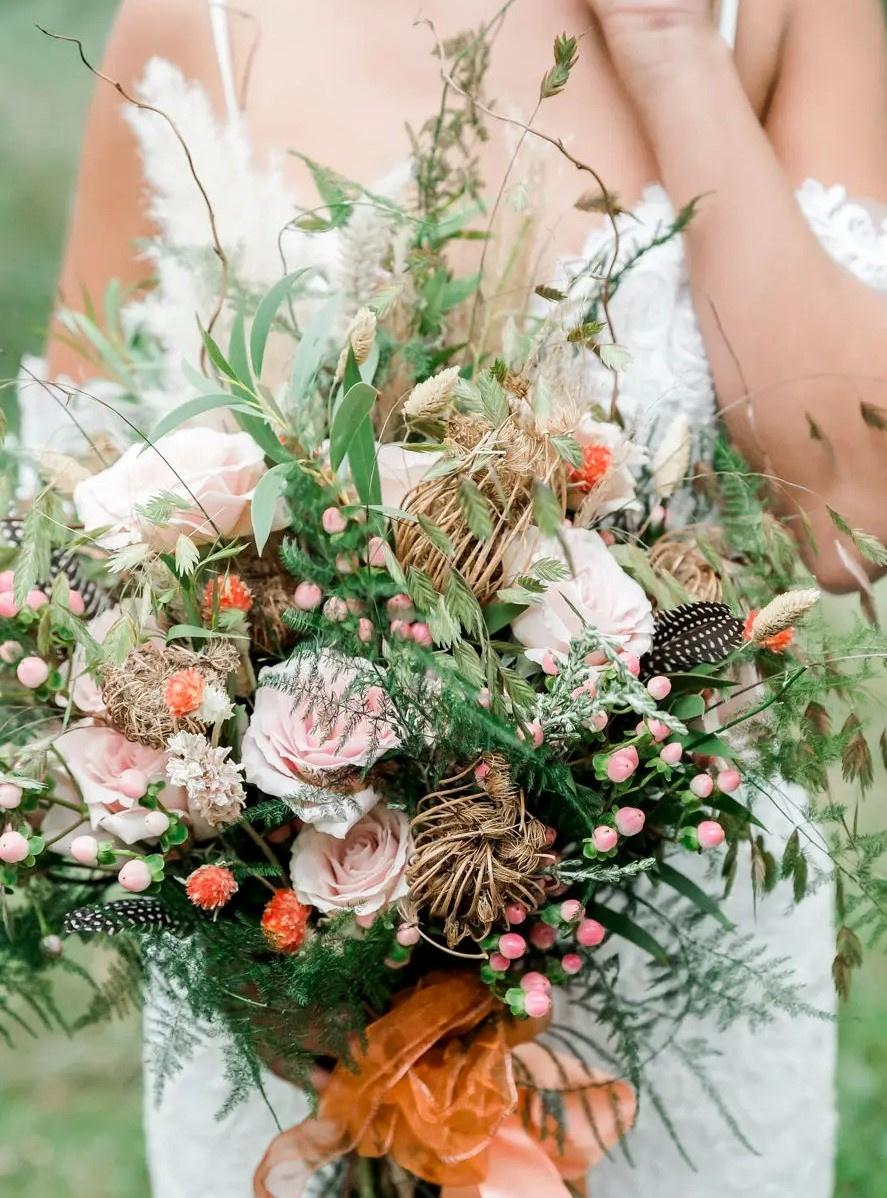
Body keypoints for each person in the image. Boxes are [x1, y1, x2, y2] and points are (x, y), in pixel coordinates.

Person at [38, 1, 887, 1195]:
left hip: (681, 942)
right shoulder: (197, 20)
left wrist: (668, 51)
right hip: (292, 1009)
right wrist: (262, 938)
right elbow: (69, 540)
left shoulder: (786, 15)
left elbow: (850, 510)